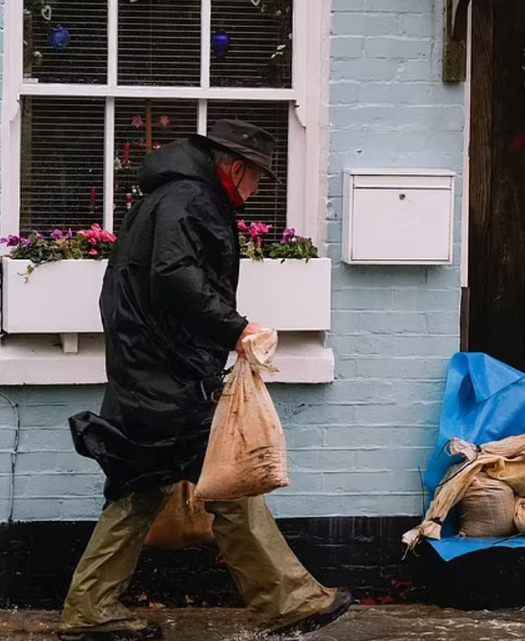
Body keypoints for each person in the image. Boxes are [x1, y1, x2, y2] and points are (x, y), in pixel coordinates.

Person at [60, 119, 351, 641]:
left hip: (151, 367)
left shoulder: (169, 198)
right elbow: (174, 275)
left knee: (143, 486)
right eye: (258, 177)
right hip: (167, 374)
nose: (258, 189)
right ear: (236, 169)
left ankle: (90, 607)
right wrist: (236, 328)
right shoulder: (190, 200)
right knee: (227, 479)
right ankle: (290, 601)